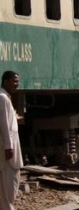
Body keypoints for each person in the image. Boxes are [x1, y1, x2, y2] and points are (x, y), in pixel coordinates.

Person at [0, 71, 23, 210]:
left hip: (10, 149)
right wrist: (8, 147)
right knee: (8, 187)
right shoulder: (2, 98)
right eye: (14, 81)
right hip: (8, 151)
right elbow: (3, 125)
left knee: (9, 187)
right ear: (5, 81)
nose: (17, 84)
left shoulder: (5, 98)